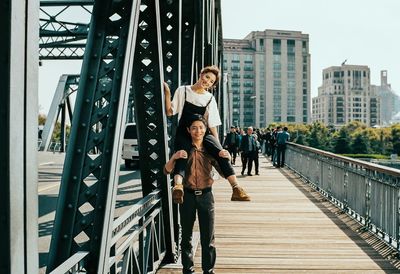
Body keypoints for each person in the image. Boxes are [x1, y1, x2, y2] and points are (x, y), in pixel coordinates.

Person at [164, 65, 250, 202]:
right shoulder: (183, 90)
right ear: (201, 74)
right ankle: (178, 187)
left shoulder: (209, 98)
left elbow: (212, 124)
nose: (208, 82)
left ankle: (236, 188)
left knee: (221, 155)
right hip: (184, 131)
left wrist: (219, 147)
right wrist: (167, 92)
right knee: (182, 154)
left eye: (211, 82)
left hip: (203, 132)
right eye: (207, 77)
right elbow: (170, 112)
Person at [164, 115, 226, 274]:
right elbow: (167, 170)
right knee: (186, 238)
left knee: (209, 239)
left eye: (201, 128)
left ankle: (208, 271)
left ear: (206, 130)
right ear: (188, 130)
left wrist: (226, 157)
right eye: (194, 128)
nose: (198, 131)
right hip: (187, 196)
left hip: (206, 196)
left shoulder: (210, 150)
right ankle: (188, 270)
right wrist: (174, 157)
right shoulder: (184, 149)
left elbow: (224, 174)